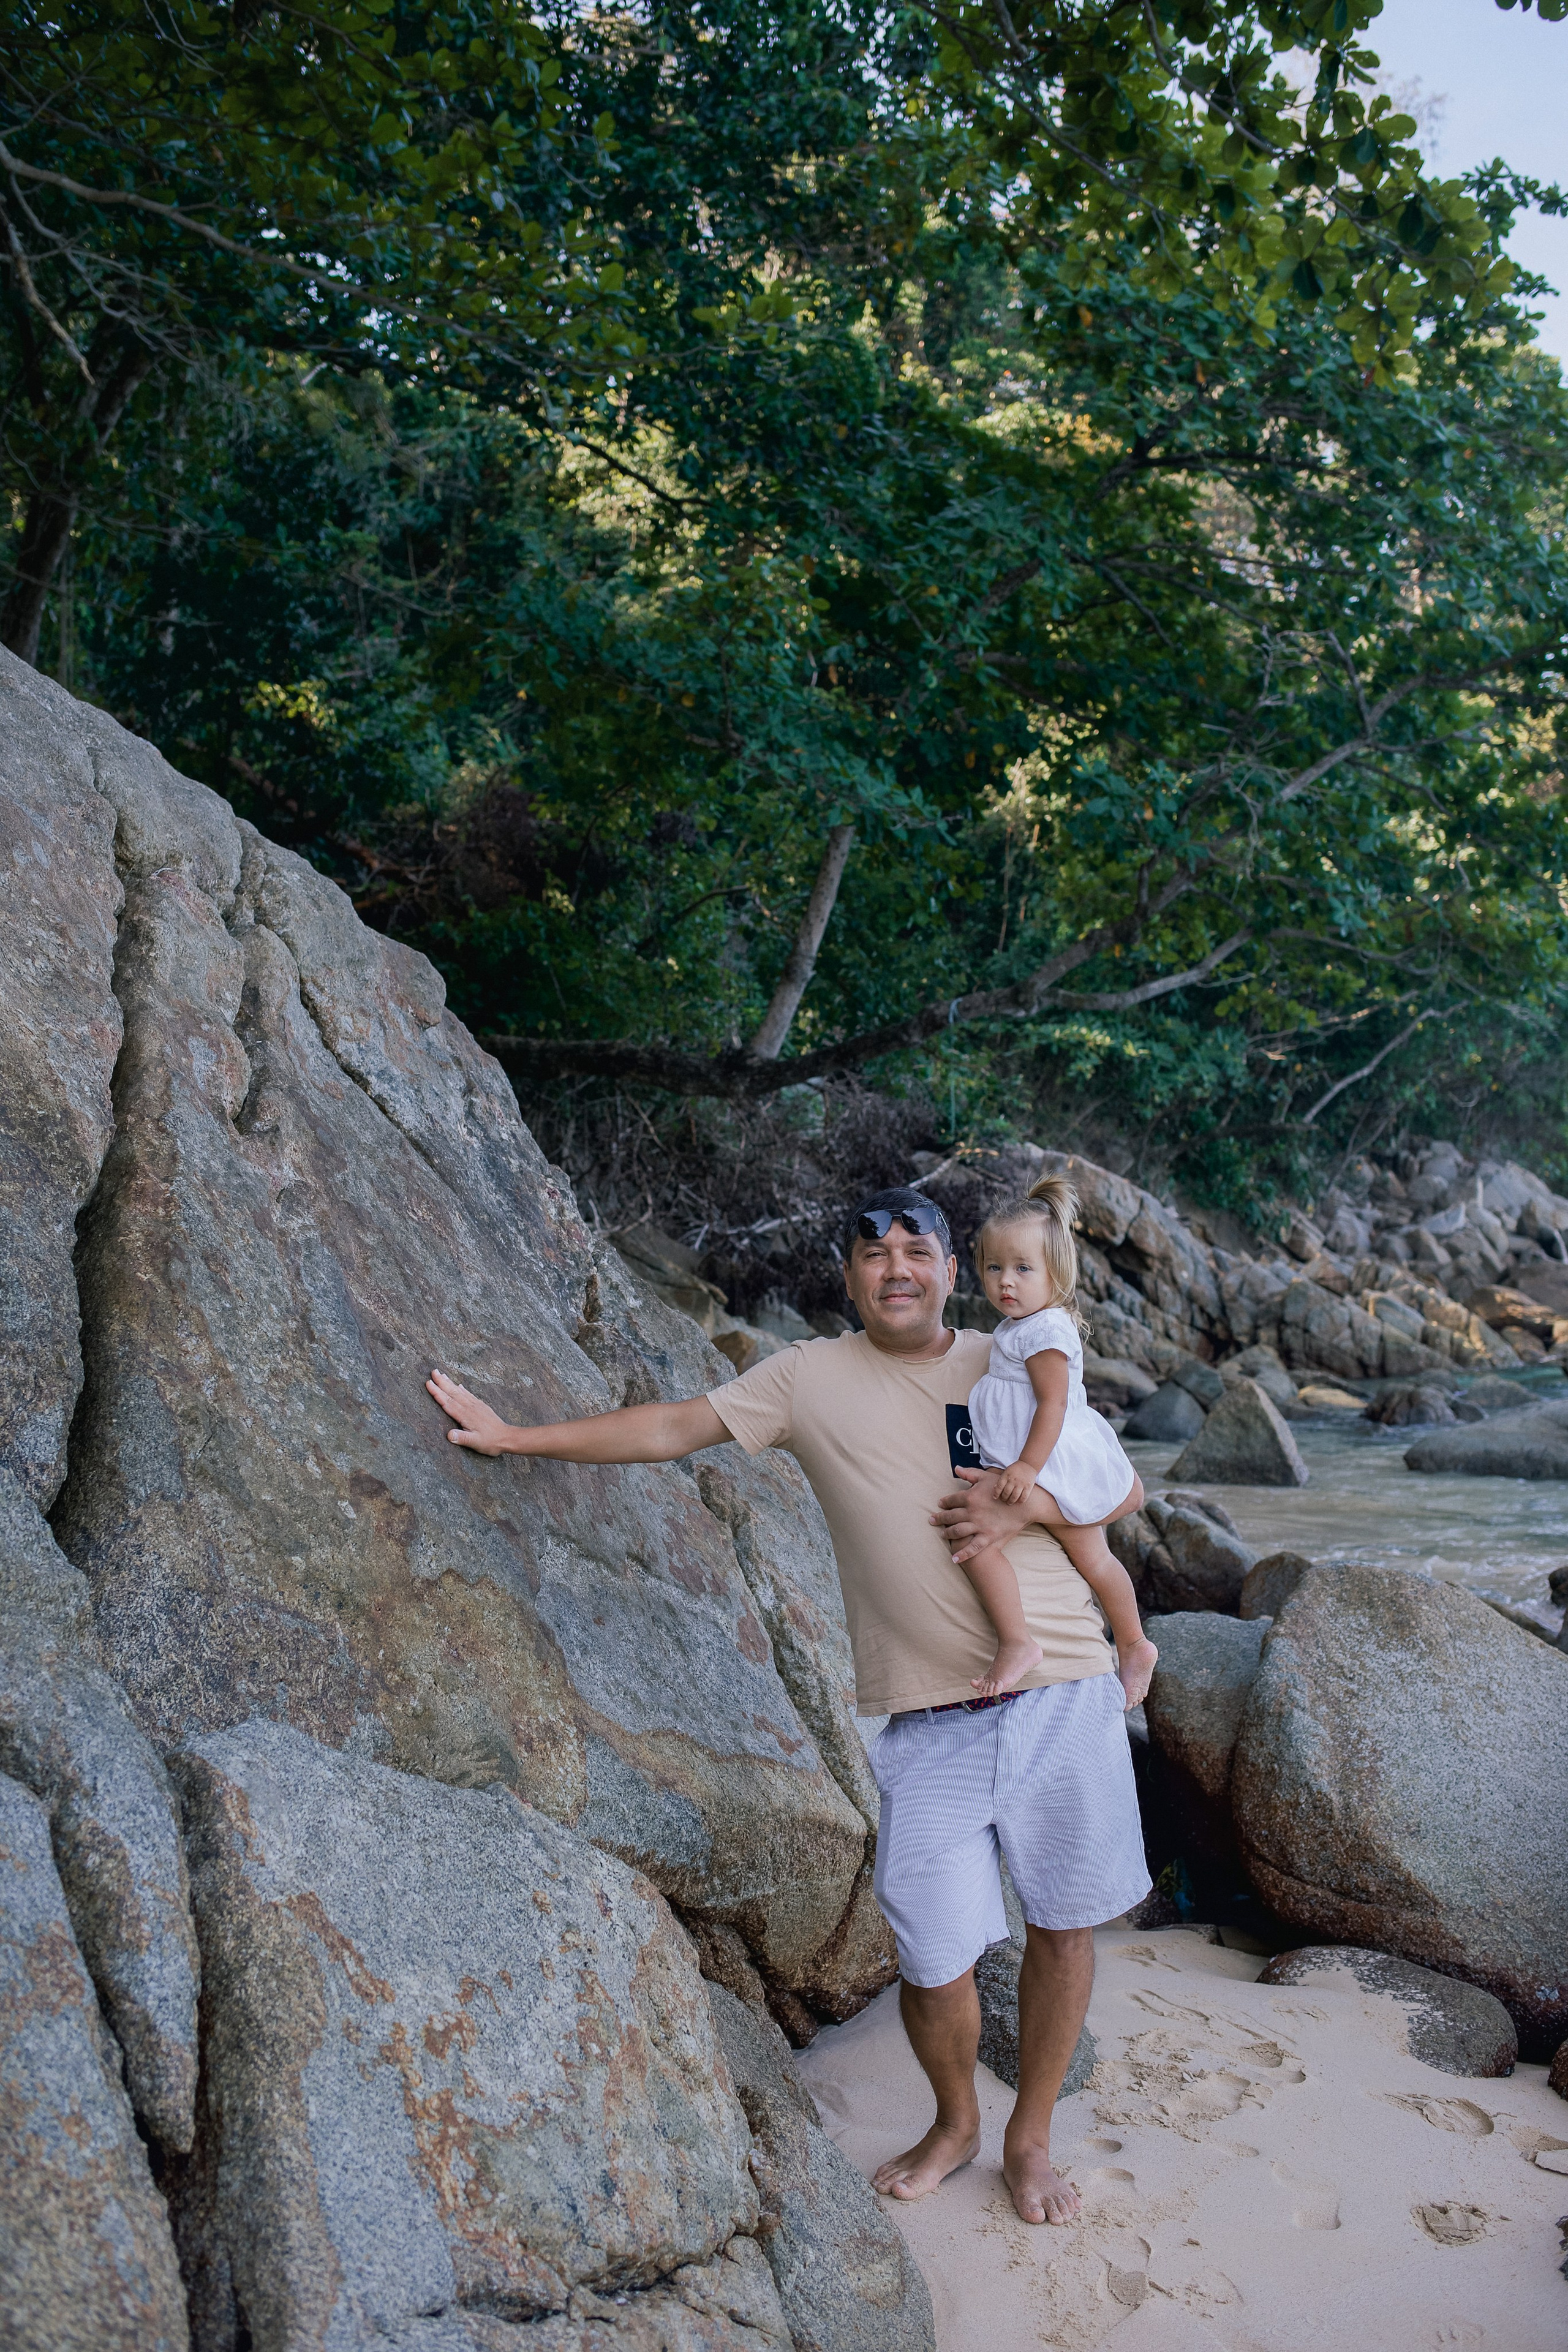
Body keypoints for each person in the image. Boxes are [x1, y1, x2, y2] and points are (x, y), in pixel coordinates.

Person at [426, 1184, 1152, 2228]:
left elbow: (1119, 1488)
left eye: (918, 1251)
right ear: (849, 1277)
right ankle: (956, 2124)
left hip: (1064, 1685)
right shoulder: (807, 1378)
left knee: (1064, 1926)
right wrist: (516, 1437)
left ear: (953, 1272)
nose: (896, 1268)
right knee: (933, 1952)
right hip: (929, 1715)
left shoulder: (1010, 1360)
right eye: (874, 1253)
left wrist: (1021, 1503)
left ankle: (1029, 2140)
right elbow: (673, 1427)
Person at [960, 1175, 1158, 1705]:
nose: (1006, 1281)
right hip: (1030, 1462)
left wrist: (1025, 1468)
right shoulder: (1017, 1326)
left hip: (1053, 1463)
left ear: (1056, 1273)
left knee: (1093, 1560)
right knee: (979, 1544)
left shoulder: (1045, 1331)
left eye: (1023, 1269)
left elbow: (1054, 1404)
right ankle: (1023, 1640)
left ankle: (1132, 1643)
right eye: (995, 1267)